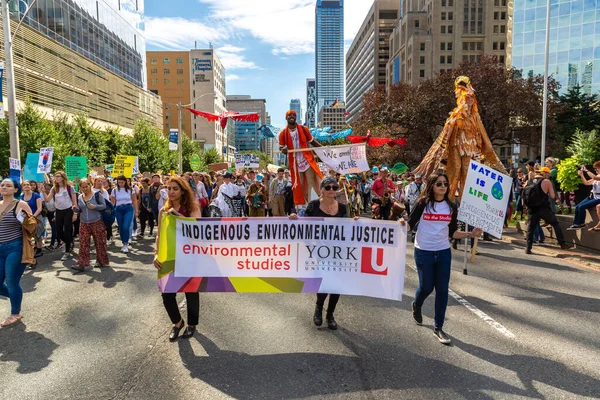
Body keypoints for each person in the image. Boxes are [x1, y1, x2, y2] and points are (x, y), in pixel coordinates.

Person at [400, 173, 480, 345]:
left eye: (445, 183)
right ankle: (417, 304)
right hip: (424, 251)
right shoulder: (422, 204)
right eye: (439, 183)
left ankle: (439, 327)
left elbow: (453, 232)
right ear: (431, 185)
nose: (442, 186)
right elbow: (409, 225)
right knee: (426, 286)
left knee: (442, 290)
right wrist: (400, 223)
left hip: (443, 251)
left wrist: (470, 234)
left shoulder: (451, 206)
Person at [289, 176, 359, 330]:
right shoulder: (313, 205)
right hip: (319, 250)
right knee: (325, 282)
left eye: (334, 187)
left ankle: (330, 314)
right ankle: (319, 308)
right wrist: (295, 219)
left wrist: (356, 223)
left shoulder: (342, 207)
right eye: (328, 188)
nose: (331, 190)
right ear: (321, 189)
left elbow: (347, 228)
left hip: (338, 251)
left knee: (337, 284)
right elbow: (305, 225)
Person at [153, 176, 201, 341]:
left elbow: (197, 230)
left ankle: (192, 324)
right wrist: (156, 254)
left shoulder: (192, 208)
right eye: (169, 188)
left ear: (183, 190)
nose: (171, 192)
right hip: (169, 257)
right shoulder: (163, 211)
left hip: (189, 256)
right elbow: (159, 235)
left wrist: (178, 217)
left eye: (175, 188)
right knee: (167, 293)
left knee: (191, 291)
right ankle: (177, 322)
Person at [0, 179, 33, 327]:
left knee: (12, 281)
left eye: (8, 185)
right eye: (2, 185)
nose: (4, 187)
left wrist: (27, 220)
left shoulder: (20, 204)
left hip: (16, 247)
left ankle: (15, 313)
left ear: (15, 189)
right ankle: (16, 296)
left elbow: (32, 226)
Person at [279, 110, 324, 206]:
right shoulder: (283, 133)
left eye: (293, 115)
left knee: (311, 182)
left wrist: (324, 149)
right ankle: (302, 206)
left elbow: (312, 142)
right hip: (295, 164)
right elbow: (281, 147)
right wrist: (284, 149)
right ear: (286, 118)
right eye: (289, 115)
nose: (291, 116)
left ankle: (314, 204)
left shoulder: (304, 129)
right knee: (299, 185)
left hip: (307, 160)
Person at [525, 167, 572, 254]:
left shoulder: (529, 181)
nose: (549, 176)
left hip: (532, 209)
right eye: (548, 174)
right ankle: (563, 244)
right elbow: (552, 196)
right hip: (544, 208)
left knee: (530, 228)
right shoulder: (547, 181)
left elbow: (524, 194)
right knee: (555, 224)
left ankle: (528, 248)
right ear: (545, 173)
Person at [74, 179, 109, 271]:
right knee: (83, 243)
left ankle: (102, 261)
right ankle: (82, 263)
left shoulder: (97, 195)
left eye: (87, 186)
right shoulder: (80, 197)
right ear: (80, 188)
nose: (85, 189)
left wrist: (95, 207)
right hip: (84, 222)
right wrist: (75, 209)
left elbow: (104, 206)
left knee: (100, 242)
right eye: (83, 187)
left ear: (90, 185)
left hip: (97, 221)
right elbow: (80, 209)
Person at [43, 171, 77, 261]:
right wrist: (43, 192)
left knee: (67, 230)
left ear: (63, 177)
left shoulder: (70, 188)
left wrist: (75, 214)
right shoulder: (54, 188)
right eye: (55, 176)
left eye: (58, 176)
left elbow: (74, 203)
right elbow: (47, 199)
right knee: (58, 232)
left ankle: (67, 252)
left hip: (68, 210)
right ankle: (69, 242)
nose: (56, 178)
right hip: (58, 211)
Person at [110, 175, 138, 253]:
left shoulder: (130, 190)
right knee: (121, 227)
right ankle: (123, 243)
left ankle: (125, 244)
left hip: (128, 208)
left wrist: (136, 210)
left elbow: (134, 200)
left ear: (125, 182)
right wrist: (111, 211)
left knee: (126, 226)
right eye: (119, 182)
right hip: (118, 209)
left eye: (122, 182)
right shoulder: (114, 190)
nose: (120, 184)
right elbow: (113, 202)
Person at [569, 161, 600, 231]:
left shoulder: (597, 177)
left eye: (597, 169)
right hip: (592, 196)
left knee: (581, 207)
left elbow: (594, 177)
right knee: (577, 206)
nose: (596, 170)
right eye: (595, 169)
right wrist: (581, 175)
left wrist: (586, 170)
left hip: (598, 197)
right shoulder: (597, 177)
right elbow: (586, 183)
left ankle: (581, 223)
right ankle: (576, 224)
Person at [21, 181, 44, 261]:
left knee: (37, 234)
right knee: (28, 235)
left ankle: (39, 249)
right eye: (25, 185)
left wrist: (33, 216)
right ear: (22, 187)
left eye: (28, 184)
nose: (27, 186)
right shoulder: (21, 197)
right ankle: (31, 248)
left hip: (36, 217)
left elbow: (39, 208)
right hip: (26, 219)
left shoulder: (36, 195)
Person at [42, 183, 58, 251]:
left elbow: (58, 206)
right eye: (45, 189)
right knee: (54, 228)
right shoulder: (43, 196)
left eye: (48, 189)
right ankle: (60, 241)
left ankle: (52, 244)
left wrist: (56, 215)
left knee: (54, 229)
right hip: (49, 214)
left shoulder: (55, 196)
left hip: (55, 213)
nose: (47, 190)